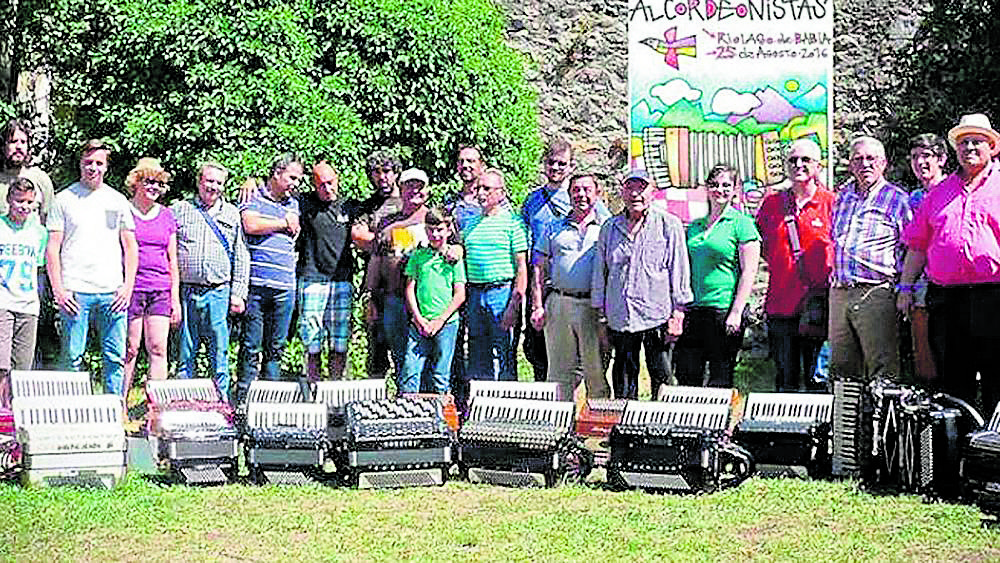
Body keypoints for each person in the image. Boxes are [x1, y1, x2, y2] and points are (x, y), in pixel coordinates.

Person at [899, 114, 1000, 412]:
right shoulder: (939, 193)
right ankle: (958, 450)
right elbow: (917, 245)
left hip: (993, 295)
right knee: (953, 374)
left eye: (976, 141)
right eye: (963, 142)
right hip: (947, 298)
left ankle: (993, 449)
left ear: (991, 146)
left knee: (997, 372)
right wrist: (905, 287)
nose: (969, 147)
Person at [46, 139, 138, 396]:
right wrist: (60, 292)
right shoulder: (63, 199)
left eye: (99, 163)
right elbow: (52, 248)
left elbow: (131, 247)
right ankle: (69, 414)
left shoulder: (118, 200)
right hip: (75, 292)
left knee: (114, 358)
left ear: (106, 167)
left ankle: (114, 414)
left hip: (113, 292)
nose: (93, 168)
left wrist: (127, 287)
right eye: (88, 163)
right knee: (73, 358)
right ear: (80, 164)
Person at [592, 170, 692, 400]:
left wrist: (678, 313)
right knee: (624, 377)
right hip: (621, 316)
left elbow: (679, 269)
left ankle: (661, 429)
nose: (635, 194)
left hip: (656, 315)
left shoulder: (669, 225)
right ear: (622, 192)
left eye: (641, 188)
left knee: (662, 376)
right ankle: (626, 429)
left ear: (652, 192)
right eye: (630, 188)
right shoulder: (610, 227)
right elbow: (601, 272)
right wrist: (601, 315)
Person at [829, 136, 911, 383]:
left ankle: (882, 422)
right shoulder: (842, 197)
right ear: (850, 165)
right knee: (841, 370)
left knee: (882, 368)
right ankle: (846, 422)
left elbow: (910, 248)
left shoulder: (897, 199)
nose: (864, 164)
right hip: (840, 293)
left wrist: (904, 290)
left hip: (876, 293)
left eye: (871, 158)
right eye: (858, 159)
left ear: (883, 163)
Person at [755, 139, 834, 391]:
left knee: (817, 379)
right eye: (793, 160)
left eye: (806, 160)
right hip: (780, 304)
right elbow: (764, 248)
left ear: (818, 166)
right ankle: (783, 430)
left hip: (819, 306)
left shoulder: (832, 203)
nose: (799, 165)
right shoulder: (771, 204)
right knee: (784, 377)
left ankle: (818, 431)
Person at [674, 164, 760, 388]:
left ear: (734, 190)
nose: (719, 190)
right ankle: (690, 420)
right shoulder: (694, 226)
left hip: (722, 310)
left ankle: (719, 422)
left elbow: (749, 270)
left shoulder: (742, 224)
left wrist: (736, 312)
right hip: (693, 310)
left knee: (720, 377)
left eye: (725, 185)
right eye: (714, 185)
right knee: (687, 374)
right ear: (706, 189)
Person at [171, 162, 249, 401]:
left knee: (220, 352)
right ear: (199, 181)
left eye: (218, 183)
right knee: (186, 350)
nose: (213, 187)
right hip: (187, 291)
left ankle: (221, 402)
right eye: (209, 181)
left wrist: (239, 293)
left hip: (219, 291)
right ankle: (185, 400)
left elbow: (241, 254)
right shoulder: (179, 210)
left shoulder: (232, 214)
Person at [531, 171, 611, 401]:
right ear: (569, 194)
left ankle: (597, 430)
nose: (581, 195)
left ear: (597, 194)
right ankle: (559, 428)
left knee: (595, 373)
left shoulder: (607, 228)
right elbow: (539, 267)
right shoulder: (554, 228)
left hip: (593, 306)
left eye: (587, 189)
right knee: (558, 374)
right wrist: (537, 305)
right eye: (576, 190)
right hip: (559, 303)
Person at [234, 153, 302, 406]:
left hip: (285, 287)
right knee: (251, 347)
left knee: (276, 350)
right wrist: (283, 222)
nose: (296, 183)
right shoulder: (253, 195)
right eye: (292, 177)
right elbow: (250, 224)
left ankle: (271, 405)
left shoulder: (293, 203)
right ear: (277, 173)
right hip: (257, 285)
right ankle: (245, 404)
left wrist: (284, 221)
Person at [297, 162, 366, 381]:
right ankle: (313, 394)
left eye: (330, 183)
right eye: (321, 185)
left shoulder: (350, 206)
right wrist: (251, 183)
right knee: (312, 344)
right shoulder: (303, 203)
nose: (327, 188)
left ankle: (335, 395)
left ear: (338, 179)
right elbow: (274, 190)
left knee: (340, 343)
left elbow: (378, 209)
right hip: (312, 279)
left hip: (342, 280)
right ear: (313, 185)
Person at [366, 168, 432, 381]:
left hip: (428, 302)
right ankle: (405, 404)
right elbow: (376, 260)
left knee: (429, 360)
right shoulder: (386, 222)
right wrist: (370, 297)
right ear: (400, 189)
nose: (415, 191)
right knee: (399, 357)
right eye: (409, 186)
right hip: (394, 299)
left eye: (420, 186)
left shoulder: (436, 219)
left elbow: (456, 250)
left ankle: (431, 407)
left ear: (427, 190)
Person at [462, 169, 528, 382]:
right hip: (474, 294)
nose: (481, 193)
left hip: (501, 293)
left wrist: (514, 306)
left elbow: (521, 267)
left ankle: (506, 408)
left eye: (487, 188)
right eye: (479, 188)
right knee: (477, 353)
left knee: (504, 353)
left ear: (501, 193)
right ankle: (479, 406)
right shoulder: (469, 224)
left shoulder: (513, 223)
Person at [122, 158, 180, 396]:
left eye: (159, 183)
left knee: (158, 348)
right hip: (132, 288)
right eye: (149, 181)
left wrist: (174, 299)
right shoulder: (124, 210)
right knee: (130, 348)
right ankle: (119, 405)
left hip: (160, 289)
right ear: (136, 182)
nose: (154, 187)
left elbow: (172, 260)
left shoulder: (167, 215)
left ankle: (155, 410)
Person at [402, 206, 466, 394]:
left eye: (440, 230)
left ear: (448, 230)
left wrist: (440, 320)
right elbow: (409, 288)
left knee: (441, 374)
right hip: (419, 322)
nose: (435, 234)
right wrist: (418, 318)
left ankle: (445, 420)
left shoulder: (454, 259)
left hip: (446, 323)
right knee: (410, 370)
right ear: (425, 230)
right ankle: (409, 414)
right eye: (431, 230)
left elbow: (460, 294)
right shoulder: (418, 256)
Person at [901, 133, 948, 384]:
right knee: (923, 356)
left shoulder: (952, 191)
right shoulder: (913, 198)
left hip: (949, 287)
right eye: (915, 157)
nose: (920, 163)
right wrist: (904, 288)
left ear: (941, 159)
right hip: (919, 290)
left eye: (927, 156)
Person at [0, 178, 47, 408]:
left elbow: (38, 269)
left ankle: (15, 411)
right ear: (9, 200)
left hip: (28, 304)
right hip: (3, 302)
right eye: (19, 201)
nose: (24, 206)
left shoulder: (39, 233)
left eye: (29, 202)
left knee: (22, 366)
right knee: (1, 363)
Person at [356, 150, 403, 381]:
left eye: (386, 171)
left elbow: (415, 239)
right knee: (376, 351)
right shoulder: (368, 206)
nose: (382, 177)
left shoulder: (407, 202)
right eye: (376, 172)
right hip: (376, 289)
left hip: (406, 288)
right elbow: (357, 236)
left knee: (405, 350)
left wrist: (380, 238)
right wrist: (386, 240)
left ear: (396, 173)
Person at [0, 119, 54, 222]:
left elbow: (51, 221)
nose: (19, 147)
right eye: (13, 141)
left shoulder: (41, 179)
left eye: (23, 142)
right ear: (3, 146)